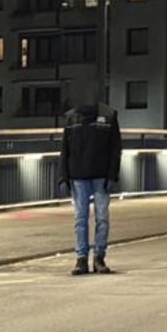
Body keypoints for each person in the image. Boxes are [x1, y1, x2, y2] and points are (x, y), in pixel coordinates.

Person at [58, 93, 122, 276]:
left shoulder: (109, 115)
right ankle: (82, 258)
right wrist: (63, 176)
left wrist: (112, 175)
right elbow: (65, 148)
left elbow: (115, 148)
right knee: (82, 219)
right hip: (79, 175)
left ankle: (98, 257)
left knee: (100, 218)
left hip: (100, 176)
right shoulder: (71, 118)